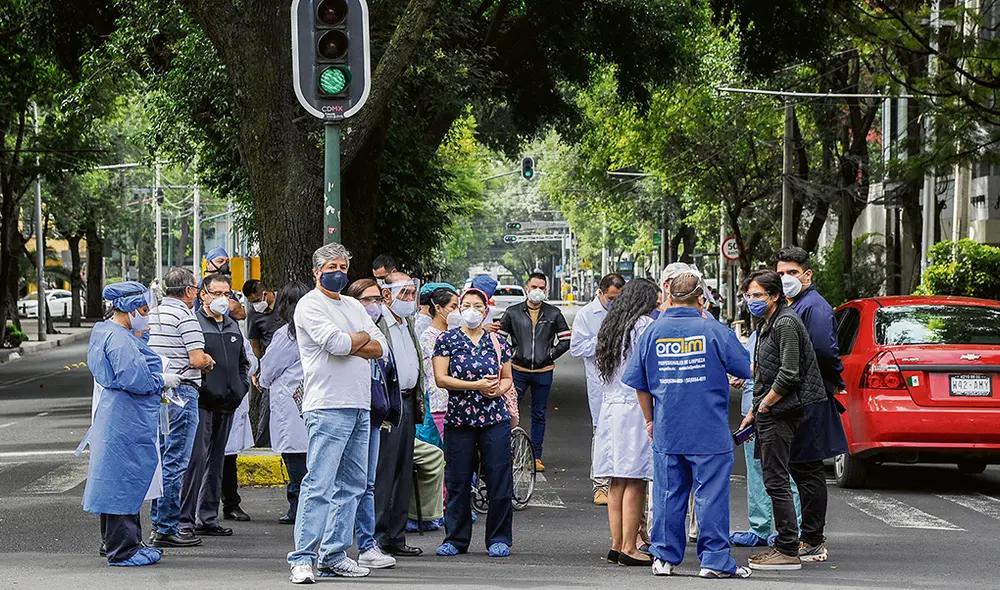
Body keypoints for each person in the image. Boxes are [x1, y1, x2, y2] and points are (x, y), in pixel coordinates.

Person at [623, 272, 753, 579]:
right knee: (711, 497)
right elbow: (745, 367)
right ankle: (714, 561)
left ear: (669, 298)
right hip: (709, 430)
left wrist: (650, 420)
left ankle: (663, 559)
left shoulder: (653, 332)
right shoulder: (714, 330)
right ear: (701, 299)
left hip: (668, 429)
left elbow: (639, 383)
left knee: (668, 495)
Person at [287, 243, 388, 583]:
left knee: (353, 485)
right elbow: (336, 344)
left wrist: (353, 341)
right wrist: (358, 340)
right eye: (331, 267)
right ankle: (303, 558)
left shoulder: (353, 305)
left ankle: (334, 555)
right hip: (327, 405)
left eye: (343, 267)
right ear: (316, 271)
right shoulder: (310, 305)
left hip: (359, 404)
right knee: (319, 483)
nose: (338, 273)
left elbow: (380, 347)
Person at [83, 281, 179, 567]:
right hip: (126, 417)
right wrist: (161, 380)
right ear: (128, 308)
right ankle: (123, 550)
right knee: (123, 483)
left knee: (116, 482)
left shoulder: (106, 331)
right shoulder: (119, 339)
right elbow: (133, 377)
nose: (146, 316)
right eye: (143, 310)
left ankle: (123, 543)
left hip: (119, 413)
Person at [738, 270, 827, 572]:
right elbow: (764, 373)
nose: (752, 300)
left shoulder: (785, 323)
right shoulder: (768, 323)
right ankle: (785, 544)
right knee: (773, 478)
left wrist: (765, 404)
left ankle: (787, 547)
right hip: (768, 412)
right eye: (748, 295)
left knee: (776, 481)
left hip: (780, 412)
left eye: (758, 295)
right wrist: (754, 411)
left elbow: (789, 373)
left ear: (775, 296)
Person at [775, 246, 849, 562]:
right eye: (781, 273)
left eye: (792, 272)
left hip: (809, 397)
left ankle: (812, 538)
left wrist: (831, 380)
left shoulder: (814, 308)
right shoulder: (796, 305)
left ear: (807, 275)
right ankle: (806, 536)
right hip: (799, 397)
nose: (785, 278)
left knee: (807, 469)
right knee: (800, 466)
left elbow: (824, 353)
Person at [433, 288, 514, 558]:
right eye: (466, 304)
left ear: (486, 310)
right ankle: (455, 539)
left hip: (494, 419)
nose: (471, 310)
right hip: (459, 419)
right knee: (457, 480)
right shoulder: (447, 340)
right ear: (458, 309)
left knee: (499, 479)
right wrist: (475, 385)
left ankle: (499, 538)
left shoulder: (498, 342)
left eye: (477, 306)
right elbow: (441, 378)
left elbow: (507, 377)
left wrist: (498, 389)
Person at [148, 268, 216, 548]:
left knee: (162, 459)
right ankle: (167, 527)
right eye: (197, 289)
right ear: (189, 291)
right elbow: (197, 359)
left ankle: (158, 522)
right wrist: (208, 361)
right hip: (182, 392)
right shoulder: (186, 317)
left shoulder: (153, 314)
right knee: (176, 461)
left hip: (158, 391)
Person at [592, 278, 657, 566]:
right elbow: (649, 371)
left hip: (610, 408)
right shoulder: (644, 326)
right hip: (635, 408)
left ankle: (617, 543)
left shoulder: (611, 324)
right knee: (635, 479)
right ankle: (631, 547)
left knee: (616, 480)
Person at [179, 273, 250, 538]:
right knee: (196, 460)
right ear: (203, 294)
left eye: (227, 294)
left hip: (228, 402)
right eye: (217, 293)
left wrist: (241, 387)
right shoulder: (193, 324)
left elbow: (242, 362)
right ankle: (184, 519)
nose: (222, 298)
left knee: (217, 461)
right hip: (202, 402)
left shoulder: (232, 326)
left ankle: (207, 517)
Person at [344, 278, 401, 571]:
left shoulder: (379, 332)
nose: (374, 305)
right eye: (367, 299)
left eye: (378, 299)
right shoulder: (345, 328)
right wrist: (363, 343)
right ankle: (333, 548)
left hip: (373, 418)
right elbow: (343, 347)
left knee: (366, 484)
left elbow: (383, 356)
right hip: (346, 415)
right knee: (343, 485)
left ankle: (367, 546)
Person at [729, 327, 803, 549]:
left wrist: (750, 375)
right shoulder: (757, 333)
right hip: (751, 411)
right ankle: (759, 528)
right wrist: (744, 376)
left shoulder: (785, 328)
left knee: (782, 472)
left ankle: (791, 530)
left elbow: (784, 371)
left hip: (773, 411)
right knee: (755, 472)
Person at [371, 272, 426, 558]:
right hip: (388, 403)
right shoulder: (379, 323)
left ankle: (396, 535)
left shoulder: (408, 323)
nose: (410, 298)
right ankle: (377, 536)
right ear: (387, 295)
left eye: (412, 293)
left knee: (404, 470)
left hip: (407, 401)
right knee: (384, 471)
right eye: (403, 293)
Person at [499, 272, 571, 471]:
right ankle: (508, 454)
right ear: (526, 288)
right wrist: (512, 355)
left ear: (546, 290)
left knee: (539, 414)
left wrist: (550, 354)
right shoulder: (512, 312)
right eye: (534, 287)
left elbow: (566, 339)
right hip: (517, 371)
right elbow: (499, 340)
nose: (537, 291)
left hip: (544, 371)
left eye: (542, 287)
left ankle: (536, 457)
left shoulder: (553, 313)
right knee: (510, 412)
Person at [570, 273, 625, 505]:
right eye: (611, 298)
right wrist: (603, 342)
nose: (615, 303)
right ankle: (600, 485)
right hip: (600, 385)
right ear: (600, 293)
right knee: (601, 432)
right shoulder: (586, 315)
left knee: (625, 433)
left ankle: (623, 484)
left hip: (624, 384)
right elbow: (576, 348)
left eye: (619, 298)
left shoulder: (626, 313)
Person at [259, 281, 310, 525]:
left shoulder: (286, 335)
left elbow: (269, 368)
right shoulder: (317, 330)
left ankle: (298, 505)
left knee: (295, 459)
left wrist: (262, 379)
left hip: (291, 402)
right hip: (310, 399)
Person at [419, 287, 460, 440]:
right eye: (453, 306)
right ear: (438, 307)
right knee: (437, 447)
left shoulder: (453, 334)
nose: (457, 311)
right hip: (439, 400)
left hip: (456, 399)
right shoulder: (429, 337)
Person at [194, 247, 246, 321]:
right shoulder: (201, 286)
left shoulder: (225, 285)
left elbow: (241, 314)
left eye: (227, 262)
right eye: (220, 261)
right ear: (208, 264)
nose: (225, 265)